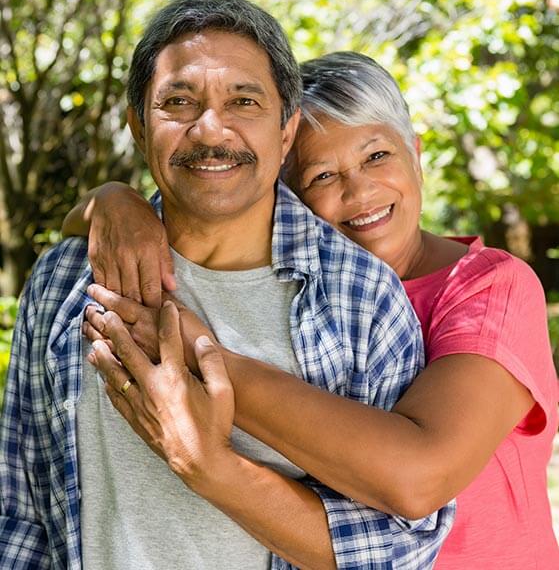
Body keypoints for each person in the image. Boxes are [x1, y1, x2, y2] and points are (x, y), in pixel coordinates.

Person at [0, 0, 455, 570]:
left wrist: (208, 464)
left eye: (243, 101)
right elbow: (21, 510)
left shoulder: (361, 298)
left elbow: (403, 547)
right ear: (139, 128)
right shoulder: (67, 277)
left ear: (286, 132)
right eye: (179, 101)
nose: (210, 130)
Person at [66, 51, 559, 569]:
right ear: (285, 198)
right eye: (322, 176)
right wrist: (113, 201)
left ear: (415, 154)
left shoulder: (487, 287)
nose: (359, 190)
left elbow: (420, 478)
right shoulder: (298, 299)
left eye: (377, 157)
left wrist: (194, 350)